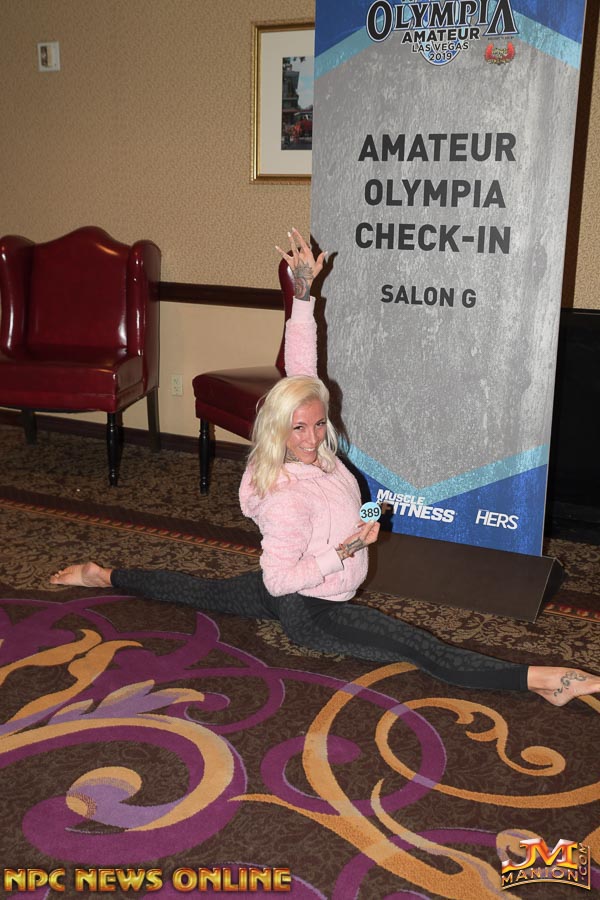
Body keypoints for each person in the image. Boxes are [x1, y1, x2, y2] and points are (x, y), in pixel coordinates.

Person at [51, 229, 600, 708]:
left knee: (202, 592)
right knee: (420, 647)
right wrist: (345, 549)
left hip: (307, 582)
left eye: (318, 423)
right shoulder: (286, 497)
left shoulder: (308, 439)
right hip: (314, 610)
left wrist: (303, 294)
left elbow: (302, 365)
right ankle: (543, 680)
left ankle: (104, 574)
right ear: (277, 430)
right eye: (300, 429)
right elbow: (279, 579)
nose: (314, 439)